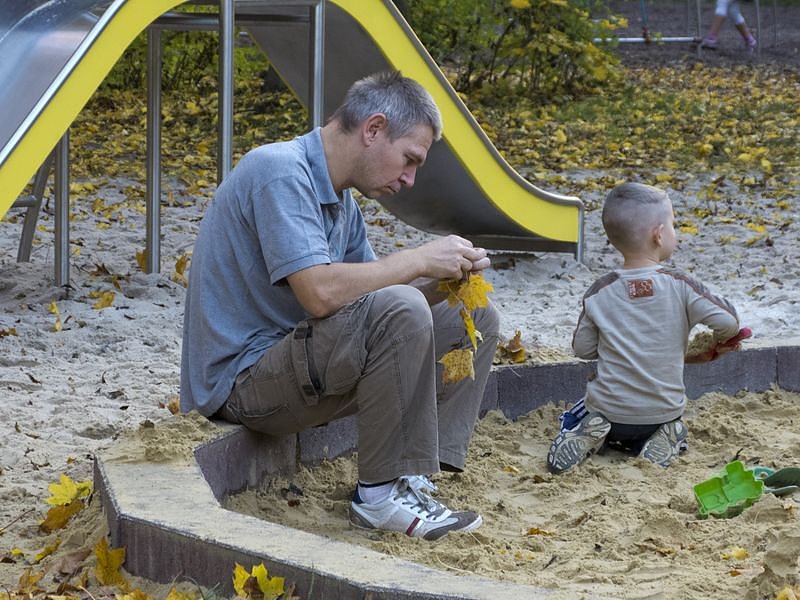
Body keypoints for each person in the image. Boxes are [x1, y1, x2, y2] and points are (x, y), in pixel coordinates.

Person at [180, 71, 500, 540]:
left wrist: (445, 279)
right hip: (239, 383)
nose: (410, 180)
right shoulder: (279, 171)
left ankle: (414, 475)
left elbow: (374, 304)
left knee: (472, 316)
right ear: (373, 129)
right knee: (402, 306)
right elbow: (320, 293)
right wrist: (416, 259)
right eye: (409, 160)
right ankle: (377, 499)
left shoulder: (341, 203)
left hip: (297, 365)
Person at [547, 182, 747, 474]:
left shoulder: (599, 292)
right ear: (659, 234)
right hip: (662, 413)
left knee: (580, 410)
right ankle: (668, 435)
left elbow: (582, 349)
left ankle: (587, 432)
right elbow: (728, 322)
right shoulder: (680, 285)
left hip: (610, 413)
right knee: (673, 424)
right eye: (674, 224)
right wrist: (717, 341)